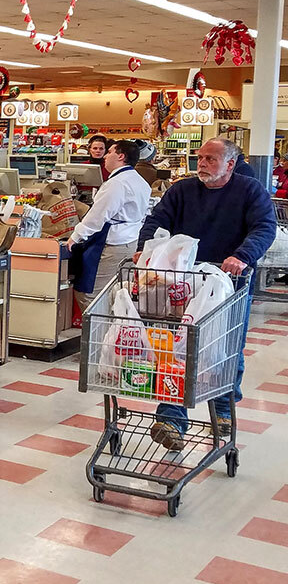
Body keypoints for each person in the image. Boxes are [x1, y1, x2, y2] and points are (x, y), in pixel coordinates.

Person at [137, 138, 276, 450]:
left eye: (210, 159)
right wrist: (145, 250)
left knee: (226, 348)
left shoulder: (250, 190)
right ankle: (171, 419)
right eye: (200, 158)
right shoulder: (181, 191)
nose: (201, 164)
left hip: (229, 283)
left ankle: (224, 408)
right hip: (182, 284)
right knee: (175, 350)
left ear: (229, 164)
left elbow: (264, 227)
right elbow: (156, 221)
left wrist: (242, 255)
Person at [68, 140, 151, 310]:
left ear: (121, 156)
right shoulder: (139, 180)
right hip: (131, 241)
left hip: (113, 245)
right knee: (119, 292)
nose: (105, 156)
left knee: (91, 295)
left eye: (110, 152)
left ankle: (100, 334)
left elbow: (98, 216)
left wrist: (75, 237)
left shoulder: (117, 183)